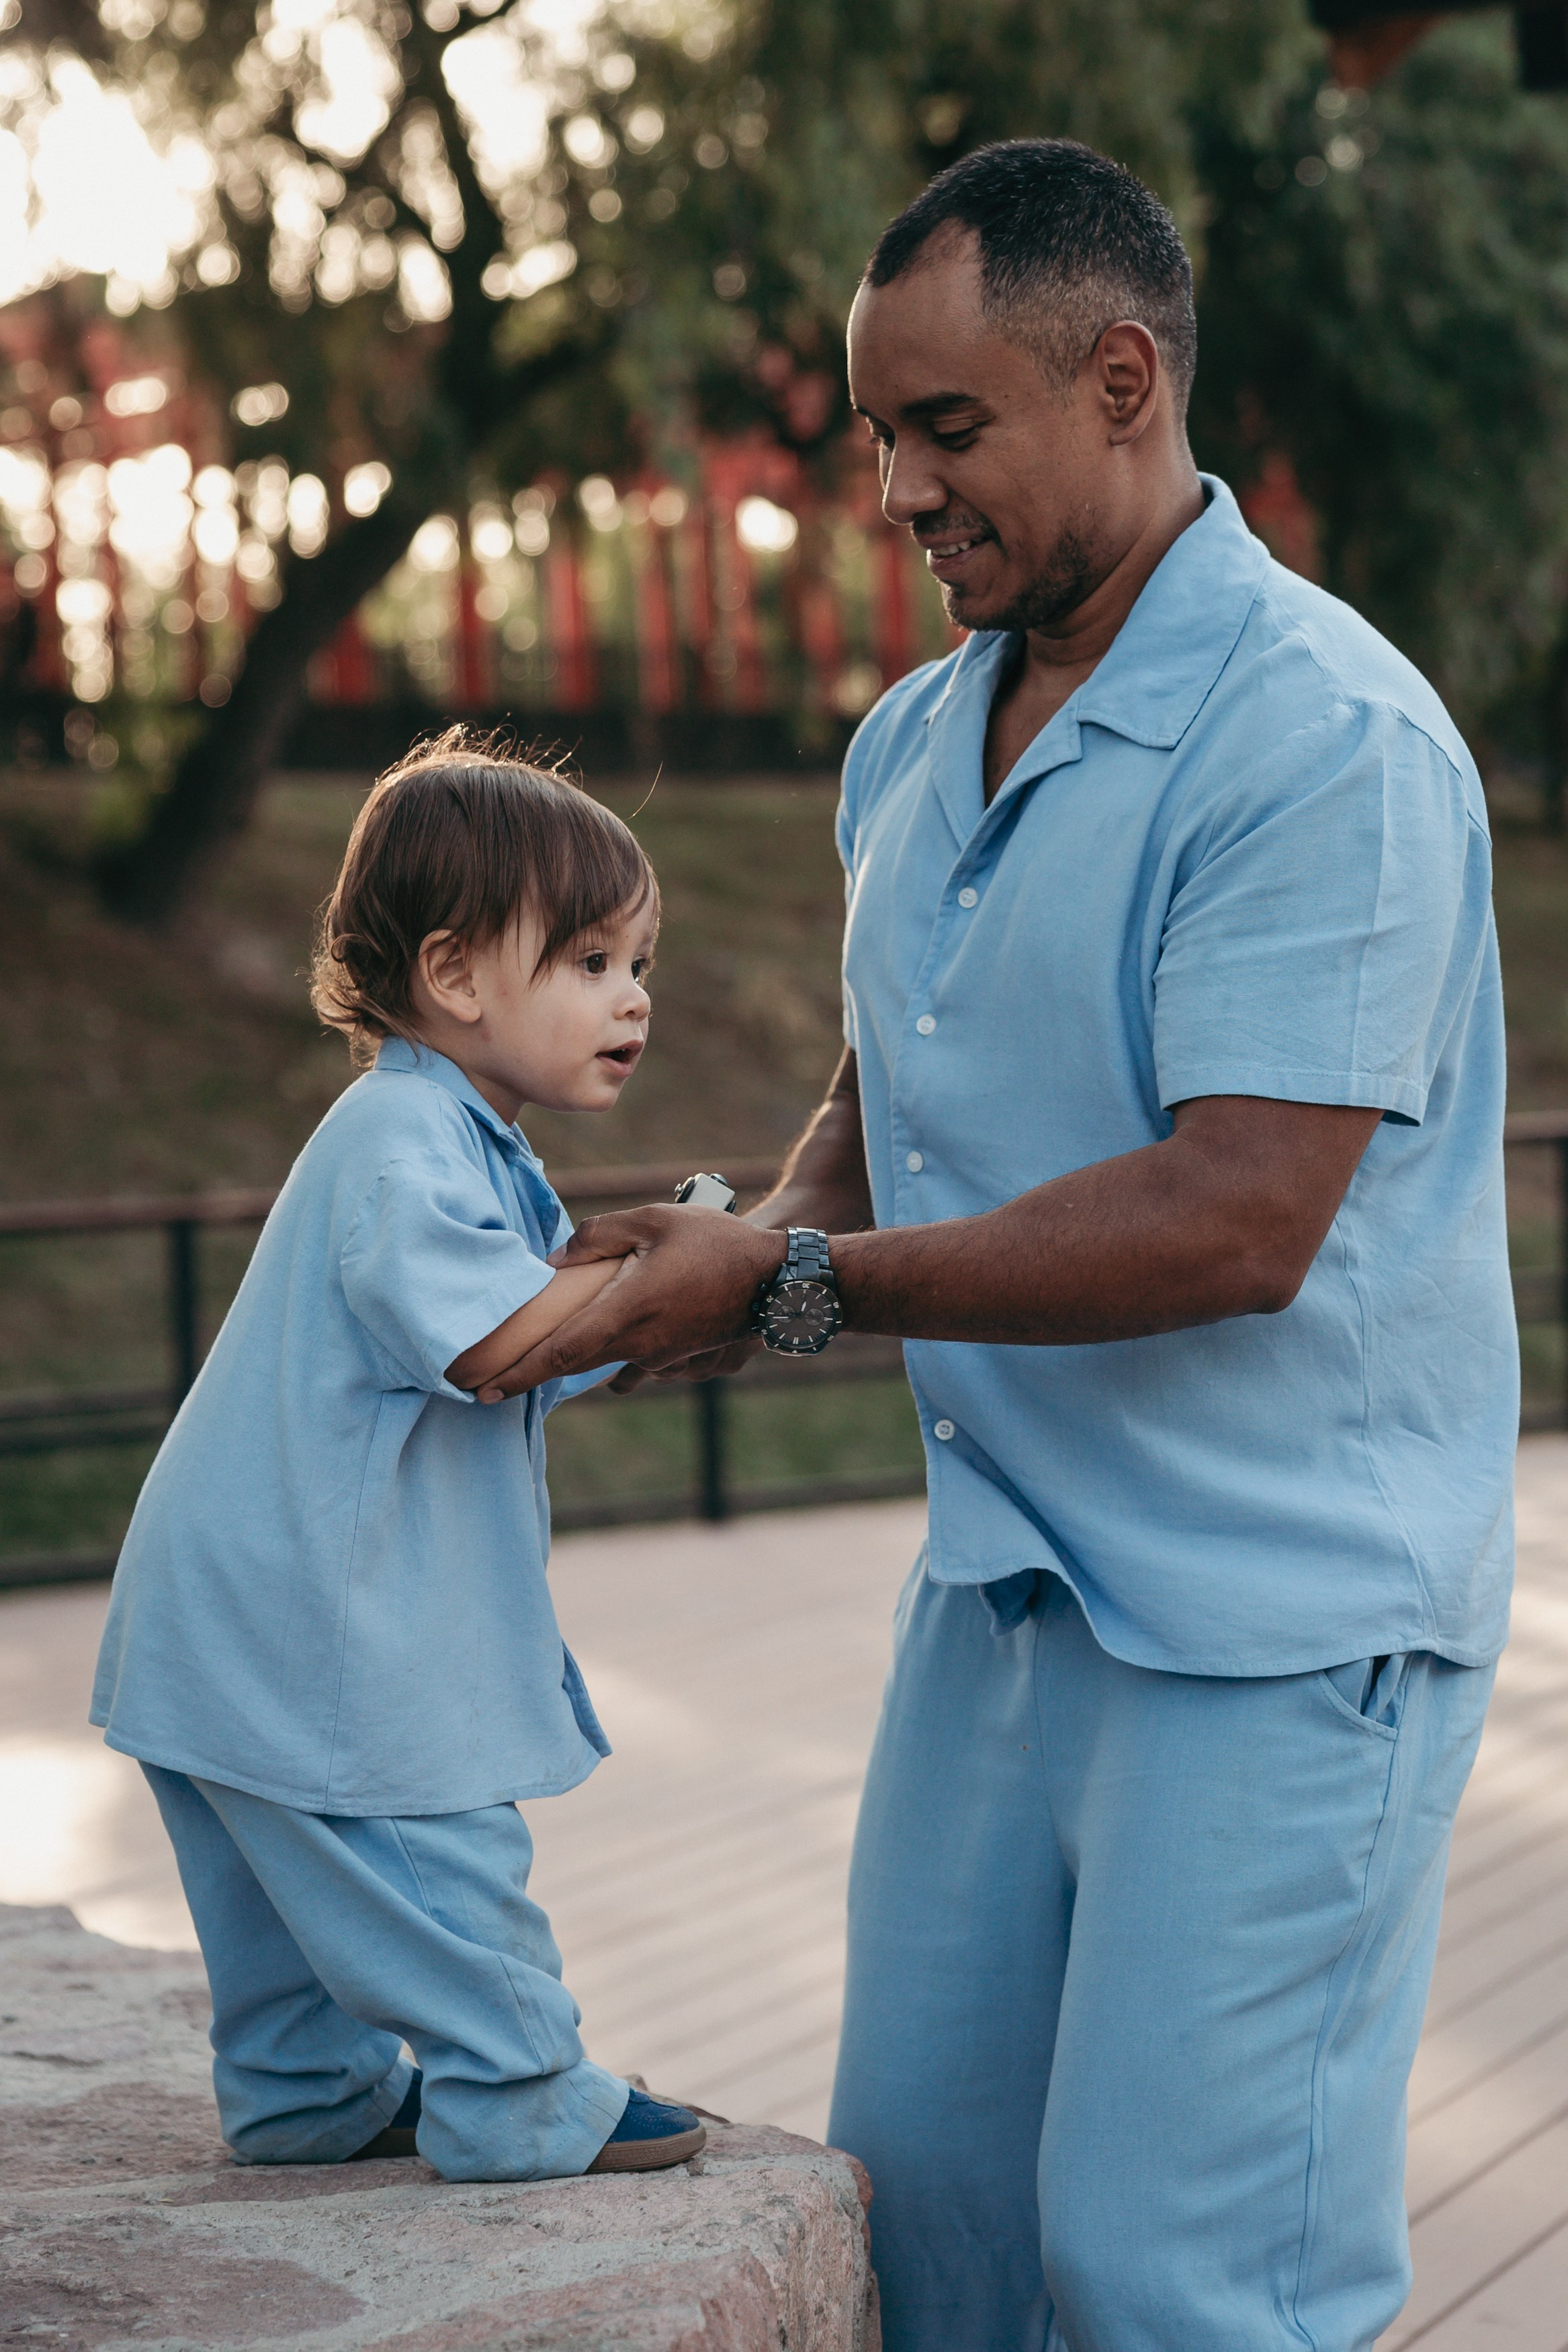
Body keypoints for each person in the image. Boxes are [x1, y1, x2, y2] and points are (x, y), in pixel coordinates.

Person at [476, 142, 1519, 2351]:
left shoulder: (1321, 742)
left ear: (1120, 382)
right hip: (1001, 1602)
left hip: (1275, 1635)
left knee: (1177, 2291)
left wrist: (787, 1291)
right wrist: (726, 1244)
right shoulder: (905, 750)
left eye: (945, 429)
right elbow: (888, 1104)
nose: (894, 491)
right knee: (926, 2254)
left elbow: (1235, 1217)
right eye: (877, 434)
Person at [90, 734, 707, 2183]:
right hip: (315, 1632)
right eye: (593, 959)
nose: (635, 998)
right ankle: (521, 2086)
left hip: (227, 1615)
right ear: (457, 975)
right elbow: (498, 1343)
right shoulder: (402, 1141)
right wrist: (673, 1282)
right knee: (431, 1858)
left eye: (640, 963)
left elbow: (517, 1338)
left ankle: (307, 2092)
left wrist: (645, 1309)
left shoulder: (458, 1143)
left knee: (282, 1917)